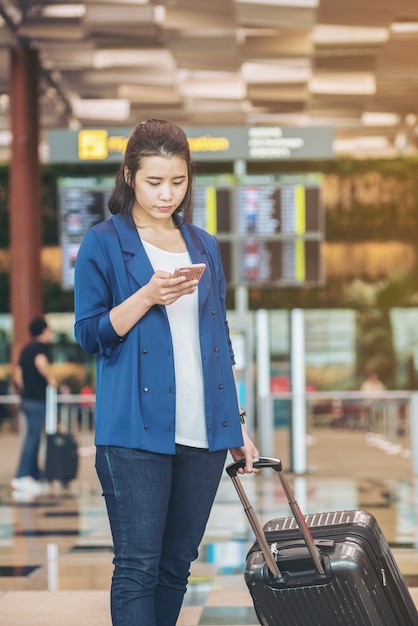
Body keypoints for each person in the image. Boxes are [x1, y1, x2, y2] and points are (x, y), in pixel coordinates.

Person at [74, 118, 259, 626]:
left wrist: (235, 421)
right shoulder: (104, 243)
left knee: (177, 566)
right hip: (134, 432)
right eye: (155, 182)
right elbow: (90, 334)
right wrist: (147, 296)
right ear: (130, 175)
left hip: (204, 433)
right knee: (137, 567)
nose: (166, 194)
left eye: (177, 182)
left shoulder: (203, 245)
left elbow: (218, 341)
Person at [12, 316, 56, 494]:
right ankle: (23, 475)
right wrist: (52, 380)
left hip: (26, 399)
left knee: (33, 437)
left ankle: (33, 475)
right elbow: (41, 363)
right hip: (38, 400)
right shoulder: (40, 348)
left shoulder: (25, 349)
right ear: (44, 330)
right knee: (33, 438)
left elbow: (18, 375)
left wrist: (25, 389)